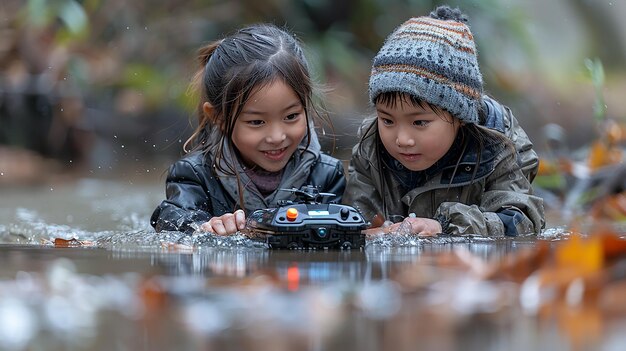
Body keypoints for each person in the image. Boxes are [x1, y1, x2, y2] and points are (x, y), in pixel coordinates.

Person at [343, 5, 545, 236]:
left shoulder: (500, 147)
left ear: (459, 117)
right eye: (388, 120)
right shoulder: (371, 148)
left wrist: (445, 225)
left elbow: (522, 222)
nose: (402, 139)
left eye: (419, 123)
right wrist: (366, 232)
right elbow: (353, 221)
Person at [151, 24, 345, 235]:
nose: (277, 137)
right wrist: (203, 228)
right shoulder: (195, 174)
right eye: (257, 122)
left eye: (291, 116)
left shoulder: (326, 175)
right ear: (219, 118)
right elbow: (170, 220)